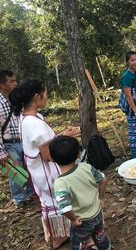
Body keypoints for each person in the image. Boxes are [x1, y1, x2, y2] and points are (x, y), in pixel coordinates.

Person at [9, 79, 80, 249]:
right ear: (37, 96)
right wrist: (67, 139)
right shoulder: (36, 126)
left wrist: (61, 134)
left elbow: (44, 144)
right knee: (55, 203)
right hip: (46, 172)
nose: (47, 96)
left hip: (37, 170)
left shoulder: (25, 117)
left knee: (47, 202)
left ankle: (53, 232)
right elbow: (48, 155)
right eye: (46, 93)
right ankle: (58, 237)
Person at [51, 136, 110, 250]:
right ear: (78, 154)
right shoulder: (86, 167)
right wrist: (101, 198)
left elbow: (65, 208)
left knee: (78, 243)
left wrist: (73, 220)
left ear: (52, 159)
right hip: (97, 213)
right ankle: (106, 247)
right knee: (100, 234)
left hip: (82, 221)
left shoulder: (61, 182)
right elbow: (103, 180)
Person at [0, 70, 33, 209]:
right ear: (1, 85)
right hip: (8, 144)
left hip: (22, 140)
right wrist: (1, 152)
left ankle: (30, 194)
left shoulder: (16, 99)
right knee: (15, 172)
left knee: (27, 167)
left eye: (15, 81)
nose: (15, 84)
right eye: (11, 82)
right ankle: (19, 199)